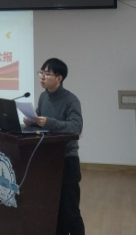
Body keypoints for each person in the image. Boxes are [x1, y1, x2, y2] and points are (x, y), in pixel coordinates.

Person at [24, 57, 85, 235]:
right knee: (52, 210)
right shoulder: (44, 97)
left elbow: (76, 127)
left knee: (70, 212)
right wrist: (31, 121)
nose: (42, 77)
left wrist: (48, 122)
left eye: (46, 73)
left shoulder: (71, 100)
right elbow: (41, 119)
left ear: (59, 78)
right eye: (41, 73)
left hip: (66, 161)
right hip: (47, 160)